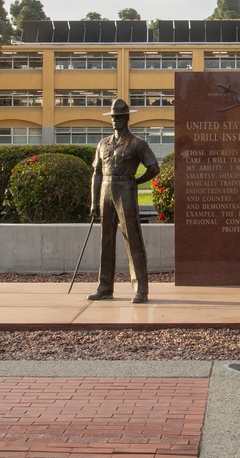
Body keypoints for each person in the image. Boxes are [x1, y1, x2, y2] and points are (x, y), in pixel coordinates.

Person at [87, 98, 160, 304]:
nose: (115, 121)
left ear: (127, 118)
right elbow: (97, 174)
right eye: (113, 117)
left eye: (119, 117)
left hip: (126, 190)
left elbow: (154, 168)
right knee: (106, 240)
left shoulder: (138, 143)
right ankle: (104, 287)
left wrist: (137, 181)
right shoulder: (103, 144)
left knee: (133, 239)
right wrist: (94, 201)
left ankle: (140, 289)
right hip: (105, 192)